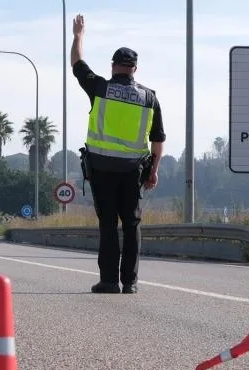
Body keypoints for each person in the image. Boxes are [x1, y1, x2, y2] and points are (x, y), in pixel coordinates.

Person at [70, 13, 165, 294]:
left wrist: (79, 36)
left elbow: (77, 64)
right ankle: (131, 282)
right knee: (132, 224)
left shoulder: (100, 88)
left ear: (114, 66)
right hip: (132, 172)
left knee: (109, 225)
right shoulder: (149, 98)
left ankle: (109, 281)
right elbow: (158, 140)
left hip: (101, 168)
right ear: (135, 69)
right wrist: (154, 171)